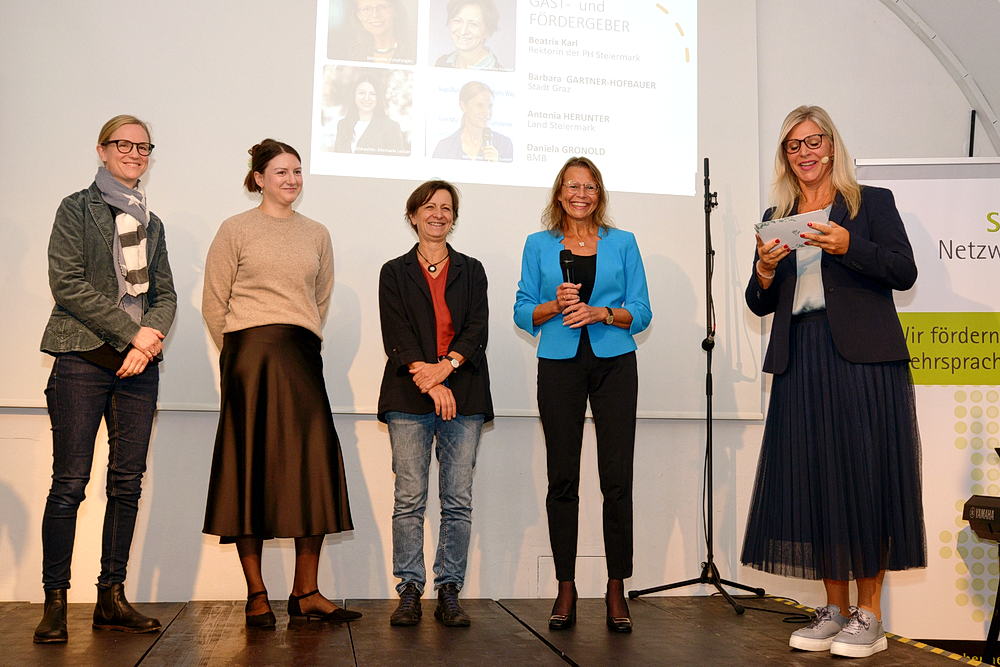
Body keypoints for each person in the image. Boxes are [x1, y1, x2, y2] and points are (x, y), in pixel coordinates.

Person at [740, 105, 925, 659]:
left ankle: (870, 615)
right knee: (817, 481)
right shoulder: (778, 216)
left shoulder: (871, 203)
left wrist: (850, 246)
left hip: (864, 359)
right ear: (786, 156)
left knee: (866, 479)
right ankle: (835, 609)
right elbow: (759, 301)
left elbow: (904, 271)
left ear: (832, 145)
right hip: (801, 357)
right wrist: (764, 270)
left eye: (813, 141)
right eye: (794, 145)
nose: (805, 153)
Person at [202, 139, 359, 628]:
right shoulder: (235, 229)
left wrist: (297, 336)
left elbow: (319, 300)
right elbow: (214, 302)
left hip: (300, 356)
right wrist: (238, 353)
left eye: (297, 171)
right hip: (249, 359)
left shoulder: (317, 233)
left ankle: (305, 591)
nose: (291, 179)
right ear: (259, 179)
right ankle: (257, 593)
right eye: (280, 172)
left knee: (312, 467)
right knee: (248, 468)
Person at [34, 114, 177, 643]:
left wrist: (148, 340)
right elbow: (67, 283)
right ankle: (54, 602)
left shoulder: (152, 224)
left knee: (126, 484)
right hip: (81, 359)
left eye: (144, 147)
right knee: (69, 484)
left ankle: (110, 599)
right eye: (124, 144)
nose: (135, 153)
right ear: (102, 150)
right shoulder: (76, 207)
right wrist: (132, 334)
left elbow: (165, 295)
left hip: (138, 368)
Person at [514, 157, 652, 633]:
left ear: (600, 194)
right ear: (559, 193)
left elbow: (642, 311)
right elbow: (522, 311)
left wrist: (602, 314)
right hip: (559, 363)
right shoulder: (538, 244)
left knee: (617, 478)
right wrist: (555, 305)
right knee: (562, 478)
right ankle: (566, 585)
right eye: (573, 186)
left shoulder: (623, 242)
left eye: (590, 186)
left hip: (615, 362)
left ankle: (616, 585)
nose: (581, 194)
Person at [377, 180, 493, 627]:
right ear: (413, 216)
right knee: (409, 498)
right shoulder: (393, 271)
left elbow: (477, 328)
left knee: (457, 499)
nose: (438, 214)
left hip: (464, 391)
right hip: (409, 394)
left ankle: (449, 589)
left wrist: (445, 369)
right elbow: (397, 333)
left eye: (446, 208)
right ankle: (409, 589)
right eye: (429, 207)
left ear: (454, 218)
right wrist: (428, 379)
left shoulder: (472, 270)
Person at [432, 81, 513, 162]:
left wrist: (498, 164)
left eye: (490, 106)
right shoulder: (445, 147)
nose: (486, 112)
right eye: (479, 105)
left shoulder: (504, 144)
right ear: (463, 106)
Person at [333, 74, 409, 156]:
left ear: (378, 97)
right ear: (354, 95)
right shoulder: (343, 125)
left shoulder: (391, 127)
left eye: (372, 94)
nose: (367, 98)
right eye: (361, 93)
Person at [435, 0, 506, 71]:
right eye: (457, 21)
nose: (463, 32)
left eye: (473, 24)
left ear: (487, 31)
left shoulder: (499, 73)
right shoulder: (441, 63)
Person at [342, 0, 416, 65]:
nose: (375, 15)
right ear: (358, 15)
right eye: (366, 9)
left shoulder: (414, 50)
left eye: (382, 7)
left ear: (395, 11)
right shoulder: (351, 54)